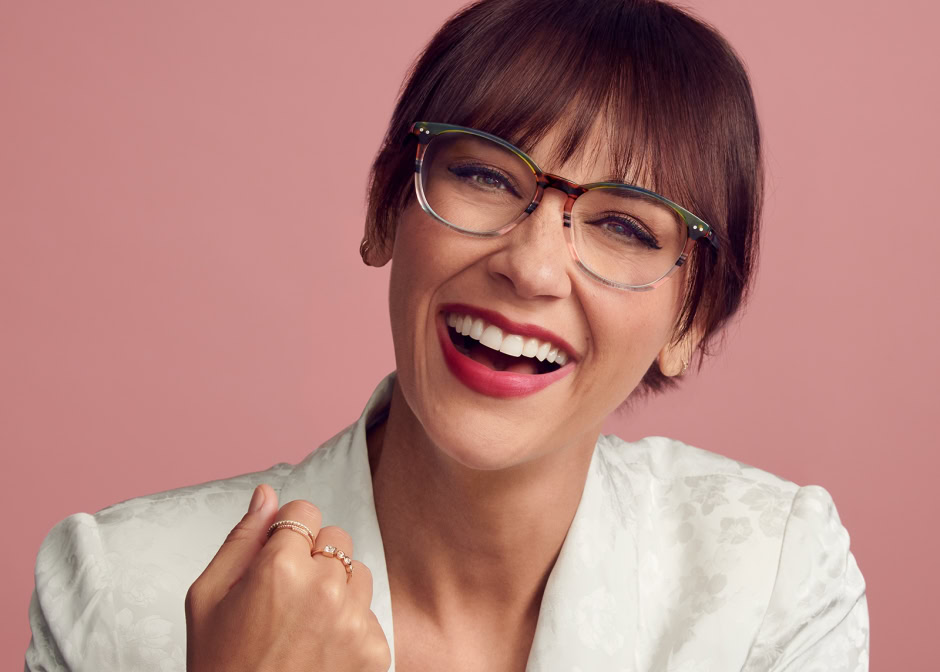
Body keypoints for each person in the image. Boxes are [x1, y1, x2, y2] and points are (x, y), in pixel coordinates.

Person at [25, 0, 869, 670]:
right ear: (384, 211)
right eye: (484, 175)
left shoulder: (771, 582)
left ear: (690, 321)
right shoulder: (115, 590)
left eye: (625, 228)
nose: (533, 268)